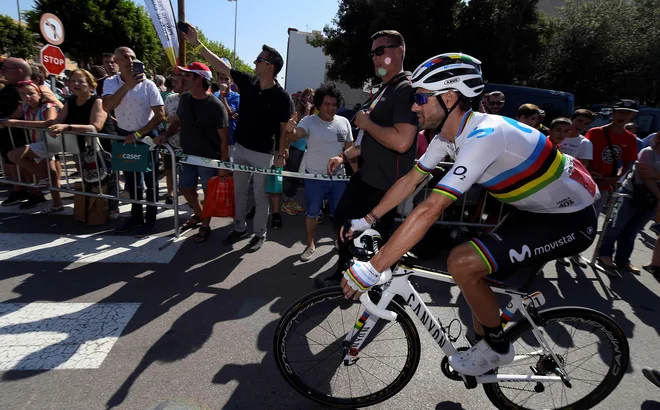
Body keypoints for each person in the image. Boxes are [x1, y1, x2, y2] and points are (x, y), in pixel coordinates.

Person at [339, 53, 599, 376]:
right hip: (534, 210)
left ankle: (496, 348)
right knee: (476, 274)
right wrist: (366, 219)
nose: (414, 107)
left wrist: (374, 267)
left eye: (421, 98)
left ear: (449, 98)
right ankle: (487, 340)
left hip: (570, 218)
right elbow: (409, 181)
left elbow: (431, 208)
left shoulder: (485, 136)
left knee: (461, 261)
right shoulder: (448, 136)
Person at [318, 29, 418, 287]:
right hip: (367, 177)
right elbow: (370, 142)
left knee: (367, 235)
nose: (374, 57)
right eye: (372, 52)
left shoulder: (404, 90)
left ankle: (362, 281)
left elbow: (401, 141)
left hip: (385, 185)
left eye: (379, 51)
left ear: (398, 52)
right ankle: (349, 275)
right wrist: (343, 156)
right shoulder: (386, 89)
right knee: (344, 224)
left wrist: (367, 123)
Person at [182, 22, 293, 252]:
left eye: (259, 60)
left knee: (260, 196)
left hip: (264, 153)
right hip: (241, 148)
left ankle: (259, 233)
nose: (254, 62)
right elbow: (220, 65)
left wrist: (280, 155)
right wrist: (197, 44)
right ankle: (240, 227)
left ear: (270, 66)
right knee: (239, 191)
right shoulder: (248, 82)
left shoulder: (282, 97)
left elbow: (283, 130)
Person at [155, 62, 229, 243]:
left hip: (209, 159)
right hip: (187, 154)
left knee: (208, 193)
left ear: (199, 79)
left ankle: (205, 225)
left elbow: (224, 139)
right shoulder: (186, 98)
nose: (182, 78)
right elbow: (177, 121)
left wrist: (223, 165)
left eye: (187, 75)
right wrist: (165, 135)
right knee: (185, 189)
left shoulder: (216, 106)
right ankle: (199, 214)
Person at [285, 82, 353, 261]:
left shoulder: (344, 122)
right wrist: (289, 130)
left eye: (333, 104)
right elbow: (294, 136)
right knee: (312, 213)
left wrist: (356, 173)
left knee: (339, 214)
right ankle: (310, 244)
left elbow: (350, 150)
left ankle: (339, 242)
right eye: (326, 104)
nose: (330, 108)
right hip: (314, 177)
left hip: (339, 179)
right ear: (318, 105)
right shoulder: (309, 121)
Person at [102, 47, 165, 237]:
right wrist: (127, 86)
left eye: (133, 57)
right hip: (124, 136)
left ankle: (151, 220)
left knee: (150, 181)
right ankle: (135, 216)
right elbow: (107, 106)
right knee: (132, 181)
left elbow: (160, 115)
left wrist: (137, 135)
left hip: (145, 137)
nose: (130, 61)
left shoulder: (149, 85)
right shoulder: (111, 82)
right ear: (117, 62)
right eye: (126, 58)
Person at [597, 133, 660, 273]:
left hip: (652, 200)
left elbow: (651, 175)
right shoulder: (648, 152)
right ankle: (604, 254)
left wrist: (655, 174)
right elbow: (645, 177)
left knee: (633, 230)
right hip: (632, 194)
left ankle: (623, 260)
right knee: (616, 226)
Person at [3, 80, 60, 210]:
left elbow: (48, 122)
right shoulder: (24, 106)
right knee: (52, 173)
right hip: (36, 143)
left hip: (49, 143)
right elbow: (11, 119)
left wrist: (18, 122)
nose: (27, 97)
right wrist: (5, 122)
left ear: (39, 93)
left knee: (13, 155)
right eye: (23, 94)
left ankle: (42, 177)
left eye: (31, 93)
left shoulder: (48, 106)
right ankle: (57, 204)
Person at [585, 100, 639, 213]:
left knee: (592, 217)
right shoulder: (595, 132)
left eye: (627, 113)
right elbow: (583, 156)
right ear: (613, 113)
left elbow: (626, 164)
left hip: (603, 186)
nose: (623, 116)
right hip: (584, 181)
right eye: (620, 112)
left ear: (633, 115)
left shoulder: (631, 139)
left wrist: (613, 179)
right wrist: (588, 174)